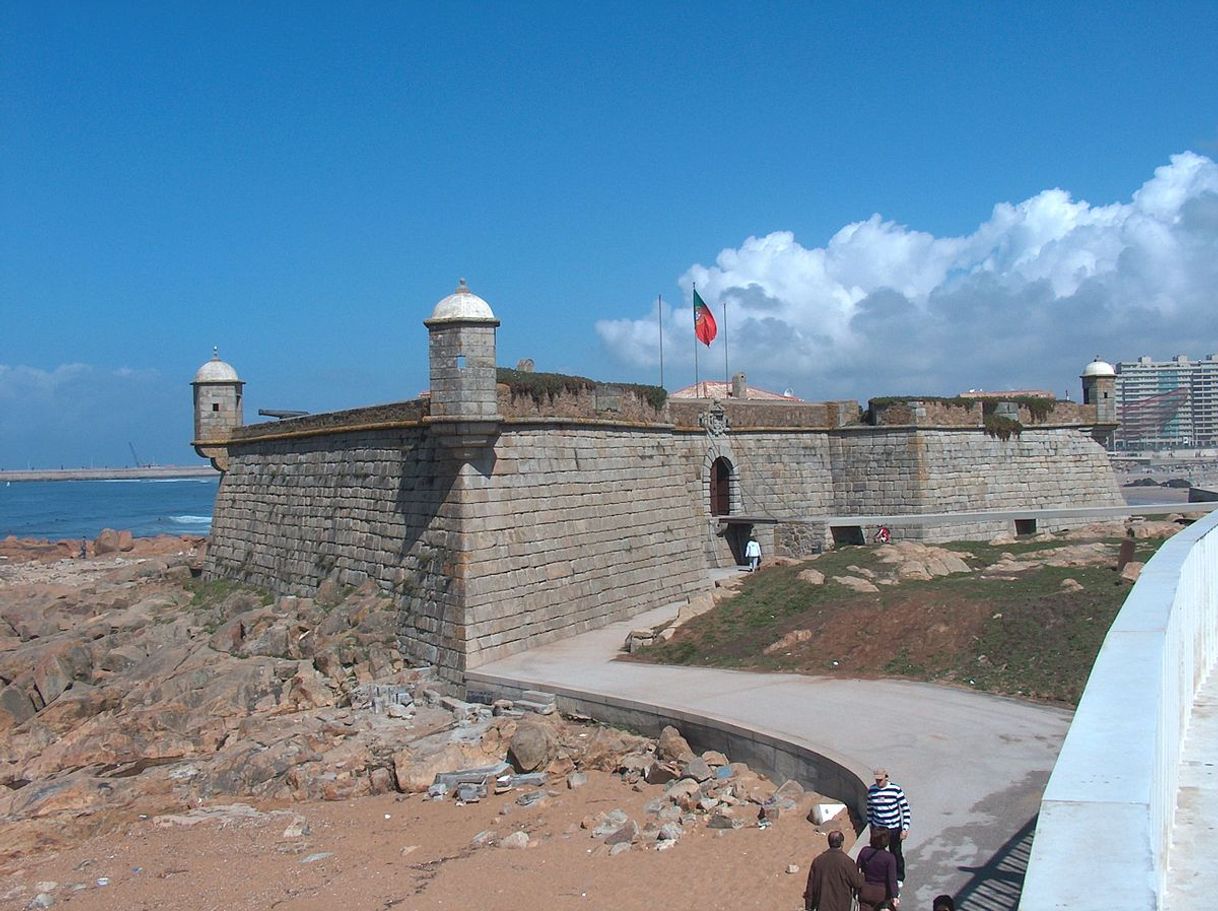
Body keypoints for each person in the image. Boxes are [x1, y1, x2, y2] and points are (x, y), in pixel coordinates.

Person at [867, 768, 911, 884]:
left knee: (896, 853)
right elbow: (870, 810)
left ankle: (899, 877)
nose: (878, 782)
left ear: (886, 777)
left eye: (880, 780)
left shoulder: (895, 790)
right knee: (877, 853)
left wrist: (905, 828)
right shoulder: (872, 791)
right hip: (879, 828)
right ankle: (880, 875)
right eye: (877, 780)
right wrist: (871, 827)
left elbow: (905, 810)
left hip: (894, 828)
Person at [804, 829, 864, 911]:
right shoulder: (847, 862)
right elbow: (857, 883)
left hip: (822, 906)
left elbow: (810, 887)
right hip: (841, 906)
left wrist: (808, 907)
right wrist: (862, 875)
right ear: (842, 843)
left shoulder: (818, 861)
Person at [857, 827, 900, 910]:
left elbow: (857, 870)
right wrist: (895, 896)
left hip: (866, 890)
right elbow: (892, 879)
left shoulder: (864, 851)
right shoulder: (889, 858)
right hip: (882, 893)